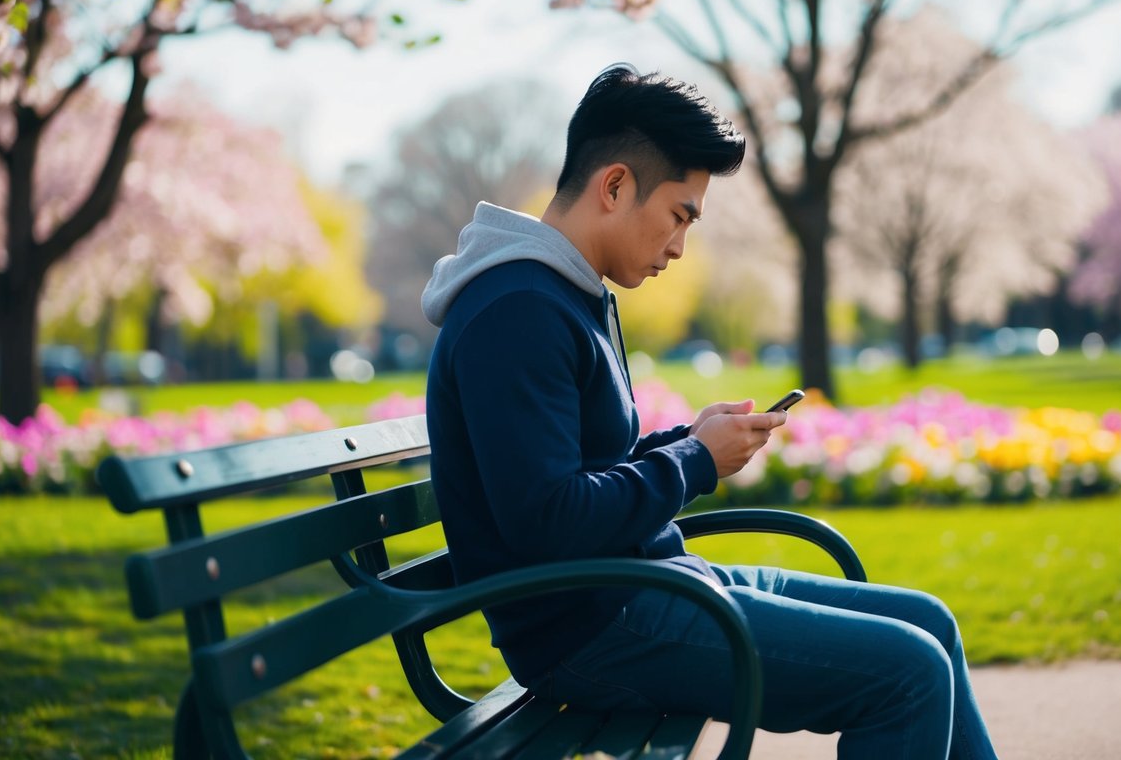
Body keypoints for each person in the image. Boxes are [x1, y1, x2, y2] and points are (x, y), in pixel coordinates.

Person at [422, 64, 998, 759]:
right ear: (614, 186)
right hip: (595, 627)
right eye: (678, 216)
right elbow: (546, 520)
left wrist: (687, 440)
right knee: (908, 672)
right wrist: (694, 462)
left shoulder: (562, 295)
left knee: (928, 624)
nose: (678, 247)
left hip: (638, 587)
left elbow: (582, 470)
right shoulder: (518, 310)